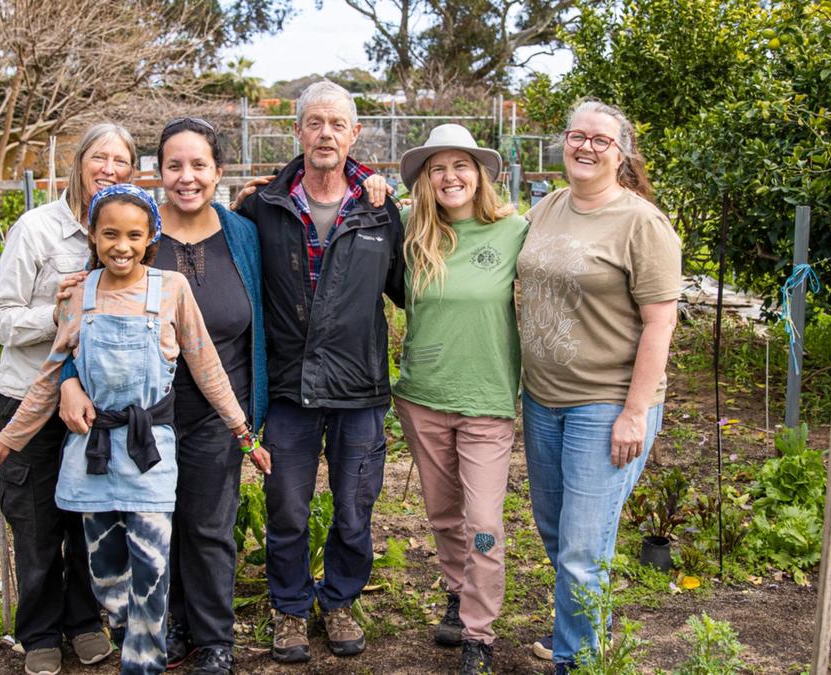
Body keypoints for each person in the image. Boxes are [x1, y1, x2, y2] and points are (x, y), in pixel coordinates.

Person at [0, 184, 271, 675]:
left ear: (152, 236)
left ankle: (143, 663)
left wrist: (244, 433)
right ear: (92, 234)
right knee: (108, 577)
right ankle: (131, 629)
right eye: (110, 233)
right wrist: (5, 444)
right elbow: (49, 380)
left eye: (134, 234)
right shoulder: (78, 296)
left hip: (150, 451)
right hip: (93, 454)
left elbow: (207, 366)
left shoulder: (170, 288)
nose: (122, 245)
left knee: (151, 573)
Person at [57, 117, 267, 675]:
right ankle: (164, 627)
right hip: (147, 416)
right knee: (151, 528)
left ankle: (214, 636)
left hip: (223, 406)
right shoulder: (132, 230)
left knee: (209, 526)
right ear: (157, 173)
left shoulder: (241, 233)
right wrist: (69, 381)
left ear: (219, 171)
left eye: (199, 164)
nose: (187, 176)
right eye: (174, 165)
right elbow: (82, 324)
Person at [235, 80, 405, 664]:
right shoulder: (262, 207)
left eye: (337, 124)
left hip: (359, 389)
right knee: (286, 505)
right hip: (289, 389)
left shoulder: (379, 210)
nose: (325, 133)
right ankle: (288, 608)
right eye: (315, 123)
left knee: (355, 507)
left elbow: (410, 287)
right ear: (298, 132)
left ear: (355, 134)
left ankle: (338, 600)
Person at [517, 99, 680, 674]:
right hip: (542, 400)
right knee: (556, 532)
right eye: (575, 135)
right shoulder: (549, 206)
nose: (584, 147)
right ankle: (586, 624)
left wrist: (634, 413)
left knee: (584, 548)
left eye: (600, 140)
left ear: (621, 153)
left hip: (606, 403)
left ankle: (576, 662)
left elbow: (660, 320)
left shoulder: (641, 223)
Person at [364, 124, 527, 675]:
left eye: (461, 165)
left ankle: (478, 635)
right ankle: (458, 594)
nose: (450, 176)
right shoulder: (411, 231)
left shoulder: (514, 231)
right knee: (444, 516)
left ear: (480, 174)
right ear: (425, 181)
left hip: (487, 400)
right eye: (438, 169)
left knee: (483, 520)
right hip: (423, 397)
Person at [0, 122, 136, 675]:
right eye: (100, 157)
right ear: (79, 162)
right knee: (37, 525)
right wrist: (55, 315)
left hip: (94, 405)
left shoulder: (126, 231)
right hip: (30, 399)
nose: (109, 169)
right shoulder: (39, 230)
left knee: (86, 520)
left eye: (121, 160)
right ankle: (41, 632)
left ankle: (83, 622)